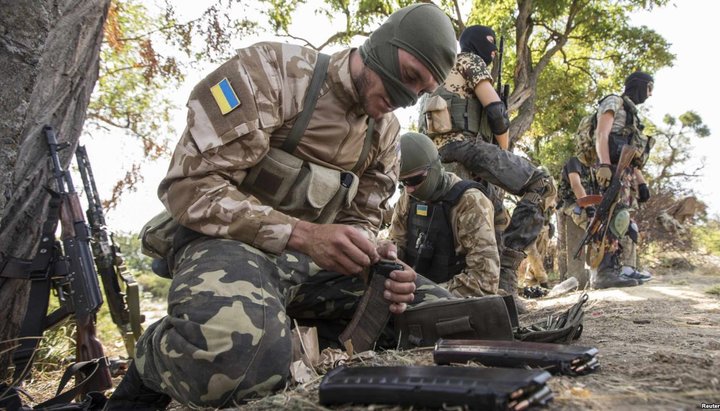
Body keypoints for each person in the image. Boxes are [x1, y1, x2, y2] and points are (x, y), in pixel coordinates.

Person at [106, 4, 458, 409]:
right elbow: (189, 185)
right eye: (409, 76)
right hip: (223, 246)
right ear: (381, 45)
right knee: (233, 364)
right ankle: (156, 352)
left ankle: (301, 338)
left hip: (312, 265)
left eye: (420, 91)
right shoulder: (273, 72)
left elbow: (362, 217)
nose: (405, 98)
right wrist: (302, 235)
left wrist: (372, 257)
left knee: (446, 319)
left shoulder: (386, 133)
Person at [418, 25, 555, 309]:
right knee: (542, 185)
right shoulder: (471, 60)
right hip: (465, 148)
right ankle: (506, 278)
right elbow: (495, 111)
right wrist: (504, 150)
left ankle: (495, 292)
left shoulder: (438, 66)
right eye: (491, 46)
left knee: (497, 217)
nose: (493, 52)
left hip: (432, 154)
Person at [389, 132, 499, 297]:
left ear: (434, 168)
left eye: (415, 180)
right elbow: (397, 245)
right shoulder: (409, 197)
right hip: (413, 292)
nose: (409, 189)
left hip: (454, 300)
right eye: (403, 183)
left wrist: (422, 294)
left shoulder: (470, 202)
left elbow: (484, 281)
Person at [593, 71, 655, 282]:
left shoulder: (631, 112)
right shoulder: (614, 101)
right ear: (639, 85)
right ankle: (605, 272)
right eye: (649, 88)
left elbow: (629, 151)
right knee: (611, 216)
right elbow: (601, 134)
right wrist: (603, 165)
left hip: (624, 171)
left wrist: (642, 182)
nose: (650, 94)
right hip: (610, 168)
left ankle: (620, 268)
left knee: (623, 218)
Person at [558, 156, 638, 289]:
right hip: (575, 205)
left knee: (624, 222)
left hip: (593, 204)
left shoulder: (595, 168)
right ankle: (603, 274)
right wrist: (588, 207)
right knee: (599, 227)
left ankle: (620, 268)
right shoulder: (574, 162)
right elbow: (576, 185)